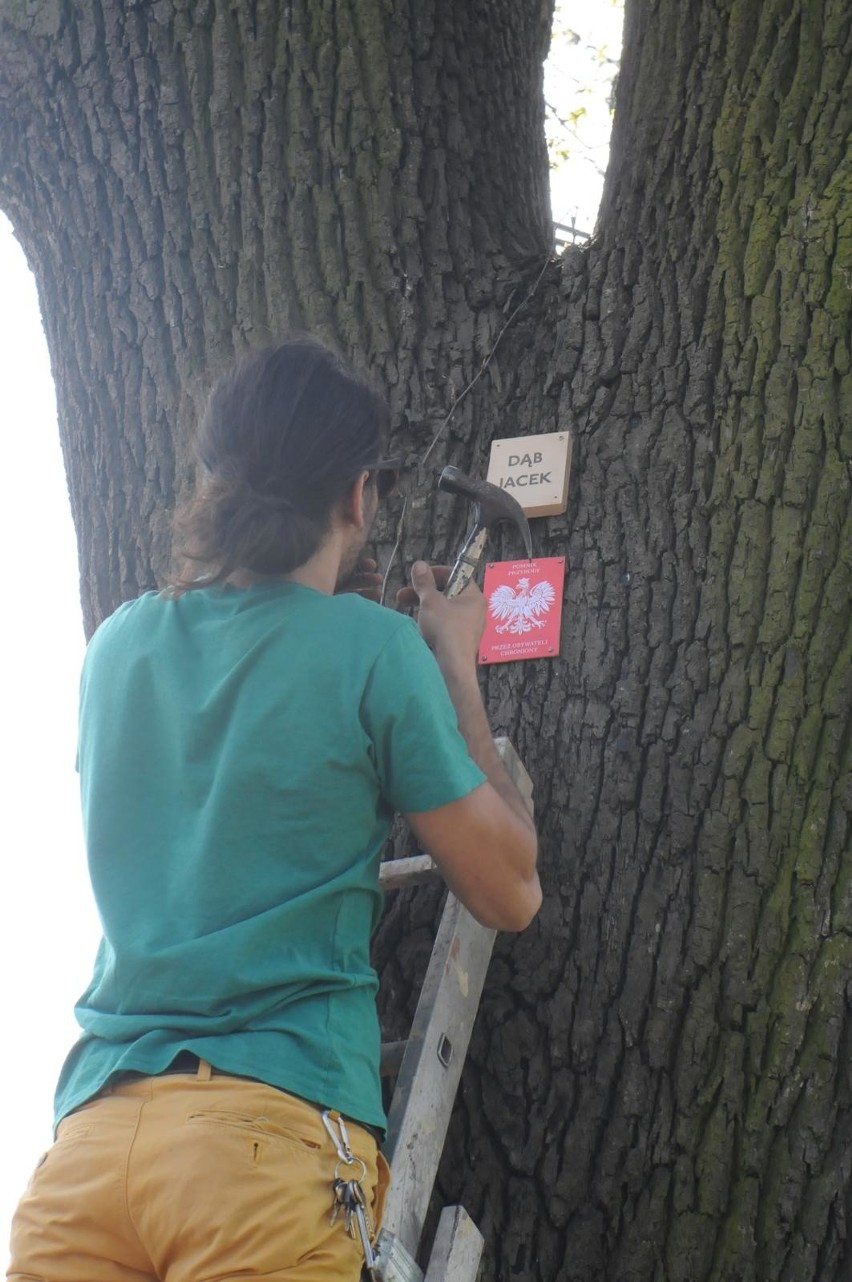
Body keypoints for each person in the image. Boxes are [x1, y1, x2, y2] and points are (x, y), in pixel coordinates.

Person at [8, 337, 540, 1282]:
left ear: (214, 483)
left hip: (88, 1156)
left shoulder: (120, 646)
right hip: (263, 1149)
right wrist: (452, 662)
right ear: (358, 497)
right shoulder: (374, 650)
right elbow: (509, 890)